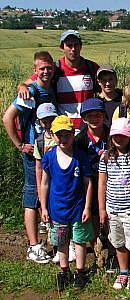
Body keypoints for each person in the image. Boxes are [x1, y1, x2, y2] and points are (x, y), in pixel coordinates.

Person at [2, 51, 55, 264]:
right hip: (33, 151)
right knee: (32, 194)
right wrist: (19, 145)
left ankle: (46, 239)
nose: (45, 71)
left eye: (48, 68)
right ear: (34, 71)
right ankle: (33, 246)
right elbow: (7, 118)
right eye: (41, 68)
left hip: (48, 149)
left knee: (47, 189)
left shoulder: (49, 88)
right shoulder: (30, 93)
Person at [40, 115, 94, 290]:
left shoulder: (80, 157)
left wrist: (87, 206)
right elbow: (44, 183)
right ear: (53, 135)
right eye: (59, 135)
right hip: (57, 209)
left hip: (78, 208)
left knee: (79, 240)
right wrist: (43, 207)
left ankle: (80, 272)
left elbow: (88, 183)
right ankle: (64, 271)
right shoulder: (48, 157)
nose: (63, 139)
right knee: (62, 242)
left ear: (73, 134)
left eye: (67, 134)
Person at [98, 118, 130, 289]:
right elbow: (102, 183)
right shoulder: (106, 157)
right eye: (116, 136)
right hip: (113, 209)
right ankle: (123, 271)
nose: (119, 139)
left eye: (123, 136)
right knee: (118, 243)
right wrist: (102, 209)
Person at [17, 30, 100, 131]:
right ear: (62, 47)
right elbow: (27, 84)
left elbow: (104, 90)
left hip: (87, 129)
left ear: (81, 46)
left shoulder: (91, 67)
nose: (73, 49)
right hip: (62, 130)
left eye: (76, 45)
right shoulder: (54, 69)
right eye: (69, 45)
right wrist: (22, 86)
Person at [75, 98, 109, 272]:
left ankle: (109, 252)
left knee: (108, 217)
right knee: (93, 217)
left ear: (104, 116)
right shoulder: (79, 140)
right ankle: (97, 253)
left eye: (98, 115)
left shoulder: (112, 135)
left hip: (110, 182)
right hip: (88, 183)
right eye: (90, 116)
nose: (94, 119)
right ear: (84, 118)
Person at [33, 103, 58, 235]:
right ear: (39, 122)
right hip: (47, 181)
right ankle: (54, 240)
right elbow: (38, 167)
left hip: (62, 180)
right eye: (44, 120)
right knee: (48, 208)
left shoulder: (63, 137)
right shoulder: (40, 141)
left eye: (51, 119)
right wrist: (39, 188)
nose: (48, 123)